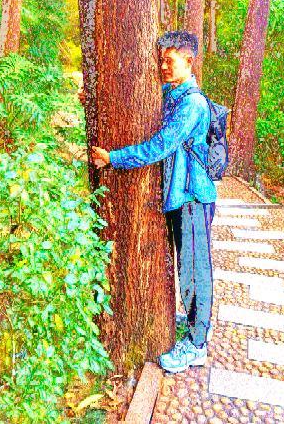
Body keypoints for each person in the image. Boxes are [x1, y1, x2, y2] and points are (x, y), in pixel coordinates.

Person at [90, 31, 217, 374]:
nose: (162, 66)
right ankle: (196, 323)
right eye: (161, 60)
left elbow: (161, 145)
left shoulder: (192, 104)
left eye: (169, 60)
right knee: (188, 267)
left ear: (189, 62)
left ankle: (197, 344)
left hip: (192, 198)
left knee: (195, 271)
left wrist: (114, 158)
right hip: (181, 197)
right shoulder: (173, 94)